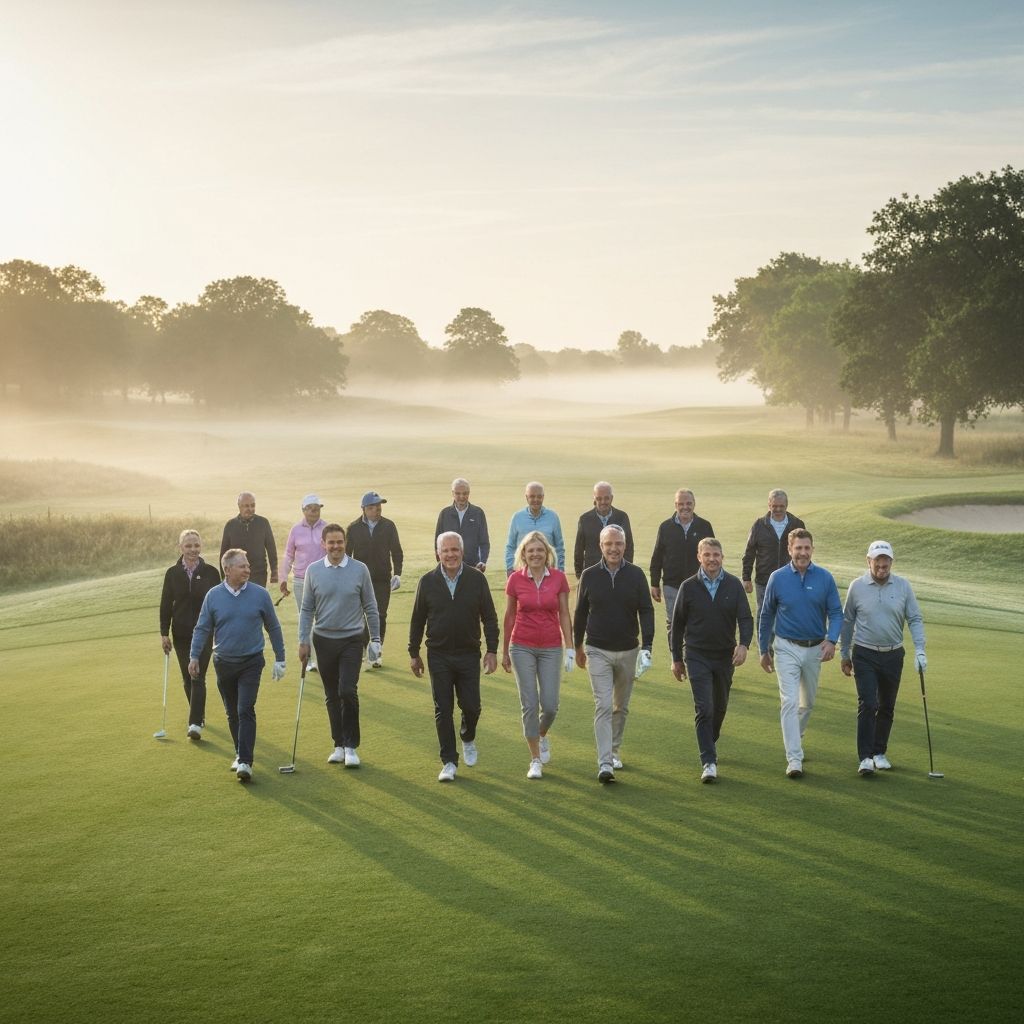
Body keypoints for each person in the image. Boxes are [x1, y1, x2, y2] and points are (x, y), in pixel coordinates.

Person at [189, 549, 286, 783]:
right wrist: (193, 656)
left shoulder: (260, 594)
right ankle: (239, 752)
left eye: (248, 565)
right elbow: (202, 628)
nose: (248, 569)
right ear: (228, 569)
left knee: (245, 709)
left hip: (251, 661)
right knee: (232, 713)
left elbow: (273, 626)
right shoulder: (213, 596)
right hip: (223, 662)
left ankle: (245, 761)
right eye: (242, 566)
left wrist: (280, 658)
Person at [409, 532, 499, 783]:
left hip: (469, 653)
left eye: (454, 550)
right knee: (443, 708)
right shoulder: (427, 581)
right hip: (438, 654)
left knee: (472, 707)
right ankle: (449, 761)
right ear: (438, 553)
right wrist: (413, 653)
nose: (450, 555)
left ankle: (467, 736)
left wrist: (492, 650)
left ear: (462, 551)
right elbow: (417, 620)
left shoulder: (476, 579)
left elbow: (489, 617)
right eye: (445, 550)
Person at [757, 528, 842, 779]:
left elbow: (836, 612)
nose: (802, 553)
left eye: (807, 548)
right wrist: (764, 649)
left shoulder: (825, 578)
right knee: (790, 701)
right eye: (798, 548)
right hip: (786, 647)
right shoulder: (777, 577)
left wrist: (832, 640)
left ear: (812, 549)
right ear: (790, 550)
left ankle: (797, 733)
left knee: (807, 704)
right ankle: (794, 758)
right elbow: (766, 614)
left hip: (815, 648)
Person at [574, 525, 655, 783]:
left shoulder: (636, 574)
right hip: (597, 649)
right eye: (609, 544)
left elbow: (646, 610)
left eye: (618, 543)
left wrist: (648, 646)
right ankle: (605, 762)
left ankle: (615, 750)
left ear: (625, 545)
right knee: (603, 705)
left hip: (629, 649)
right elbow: (580, 613)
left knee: (620, 707)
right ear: (601, 546)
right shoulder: (588, 576)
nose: (614, 548)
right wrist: (576, 646)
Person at [840, 540, 927, 776]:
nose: (882, 565)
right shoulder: (857, 586)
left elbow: (915, 619)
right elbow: (847, 621)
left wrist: (920, 649)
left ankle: (879, 753)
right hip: (864, 653)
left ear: (891, 562)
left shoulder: (903, 586)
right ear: (869, 561)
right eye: (877, 560)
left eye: (886, 561)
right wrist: (844, 653)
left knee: (887, 706)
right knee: (868, 703)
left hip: (893, 654)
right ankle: (865, 757)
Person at [670, 538, 753, 783]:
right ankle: (708, 760)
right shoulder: (689, 586)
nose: (712, 559)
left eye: (716, 554)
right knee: (704, 708)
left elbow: (746, 619)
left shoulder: (734, 585)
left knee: (720, 707)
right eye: (707, 555)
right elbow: (677, 626)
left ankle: (709, 738)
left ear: (722, 557)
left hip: (724, 656)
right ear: (699, 557)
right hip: (696, 655)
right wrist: (676, 658)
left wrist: (743, 645)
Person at [299, 523, 381, 769]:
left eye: (340, 542)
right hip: (323, 640)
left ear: (345, 543)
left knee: (347, 690)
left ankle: (351, 746)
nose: (336, 546)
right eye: (331, 542)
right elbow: (306, 609)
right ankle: (338, 745)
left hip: (352, 639)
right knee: (331, 695)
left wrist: (375, 639)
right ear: (323, 544)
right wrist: (303, 640)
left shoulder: (359, 569)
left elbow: (370, 606)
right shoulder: (313, 571)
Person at [501, 531, 574, 779]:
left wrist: (571, 648)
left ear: (547, 554)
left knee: (551, 705)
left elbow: (564, 613)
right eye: (530, 550)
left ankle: (541, 735)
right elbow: (509, 616)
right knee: (530, 704)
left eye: (539, 550)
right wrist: (504, 652)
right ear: (523, 554)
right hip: (521, 645)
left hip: (552, 646)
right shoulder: (515, 580)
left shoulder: (559, 579)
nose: (535, 554)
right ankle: (535, 759)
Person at [159, 529, 221, 740]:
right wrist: (163, 633)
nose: (193, 549)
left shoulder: (212, 572)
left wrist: (220, 629)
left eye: (196, 545)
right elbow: (166, 604)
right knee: (187, 676)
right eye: (188, 546)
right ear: (181, 548)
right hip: (181, 633)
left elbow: (218, 604)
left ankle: (194, 723)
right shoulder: (172, 573)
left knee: (197, 675)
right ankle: (199, 715)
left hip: (205, 633)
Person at [649, 489, 715, 655]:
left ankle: (693, 654)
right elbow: (657, 556)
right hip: (672, 584)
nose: (685, 507)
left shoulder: (704, 526)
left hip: (699, 585)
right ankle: (676, 657)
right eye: (681, 504)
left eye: (688, 503)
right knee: (673, 622)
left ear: (694, 504)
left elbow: (713, 556)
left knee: (697, 620)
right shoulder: (665, 527)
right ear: (675, 505)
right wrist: (654, 583)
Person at [346, 491, 404, 667]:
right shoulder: (353, 528)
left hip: (382, 578)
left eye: (379, 507)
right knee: (361, 616)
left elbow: (397, 551)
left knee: (380, 615)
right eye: (373, 507)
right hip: (360, 579)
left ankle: (377, 651)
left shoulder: (388, 526)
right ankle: (365, 648)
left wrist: (398, 573)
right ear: (364, 509)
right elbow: (347, 555)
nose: (377, 510)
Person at [741, 489, 806, 632]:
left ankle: (786, 649)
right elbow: (749, 552)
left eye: (781, 506)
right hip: (764, 580)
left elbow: (804, 552)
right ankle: (764, 651)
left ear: (787, 505)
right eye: (774, 506)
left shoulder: (797, 524)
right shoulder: (758, 525)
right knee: (764, 616)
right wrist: (746, 577)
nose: (777, 509)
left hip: (791, 579)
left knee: (789, 614)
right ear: (769, 505)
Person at [280, 494, 327, 671]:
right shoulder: (296, 530)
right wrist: (283, 578)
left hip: (323, 579)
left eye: (318, 508)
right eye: (311, 508)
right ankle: (310, 659)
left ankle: (322, 658)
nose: (315, 511)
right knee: (305, 619)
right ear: (303, 510)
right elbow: (289, 555)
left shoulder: (327, 527)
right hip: (300, 580)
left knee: (322, 619)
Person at [573, 481, 634, 578]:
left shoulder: (622, 517)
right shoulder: (584, 519)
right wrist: (579, 575)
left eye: (606, 498)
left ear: (612, 498)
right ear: (594, 498)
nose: (603, 502)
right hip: (592, 574)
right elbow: (579, 550)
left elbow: (629, 546)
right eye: (599, 498)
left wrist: (626, 571)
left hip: (618, 573)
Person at [220, 491, 278, 588]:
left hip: (259, 574)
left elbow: (271, 548)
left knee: (256, 601)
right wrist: (224, 576)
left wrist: (274, 572)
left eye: (252, 505)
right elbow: (223, 553)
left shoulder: (263, 523)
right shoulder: (230, 525)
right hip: (236, 574)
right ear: (239, 506)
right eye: (246, 506)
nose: (250, 509)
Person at [504, 481, 565, 575]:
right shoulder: (517, 517)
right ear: (526, 497)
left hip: (548, 572)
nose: (536, 499)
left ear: (543, 497)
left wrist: (560, 570)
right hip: (522, 572)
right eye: (532, 496)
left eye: (539, 496)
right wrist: (510, 569)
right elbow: (510, 547)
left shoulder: (553, 517)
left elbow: (559, 547)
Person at [434, 477, 490, 571]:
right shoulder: (445, 514)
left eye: (465, 493)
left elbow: (484, 542)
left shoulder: (478, 513)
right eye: (458, 493)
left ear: (469, 493)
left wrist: (482, 561)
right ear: (452, 493)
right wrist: (441, 561)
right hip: (449, 567)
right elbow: (438, 541)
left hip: (473, 567)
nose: (462, 496)